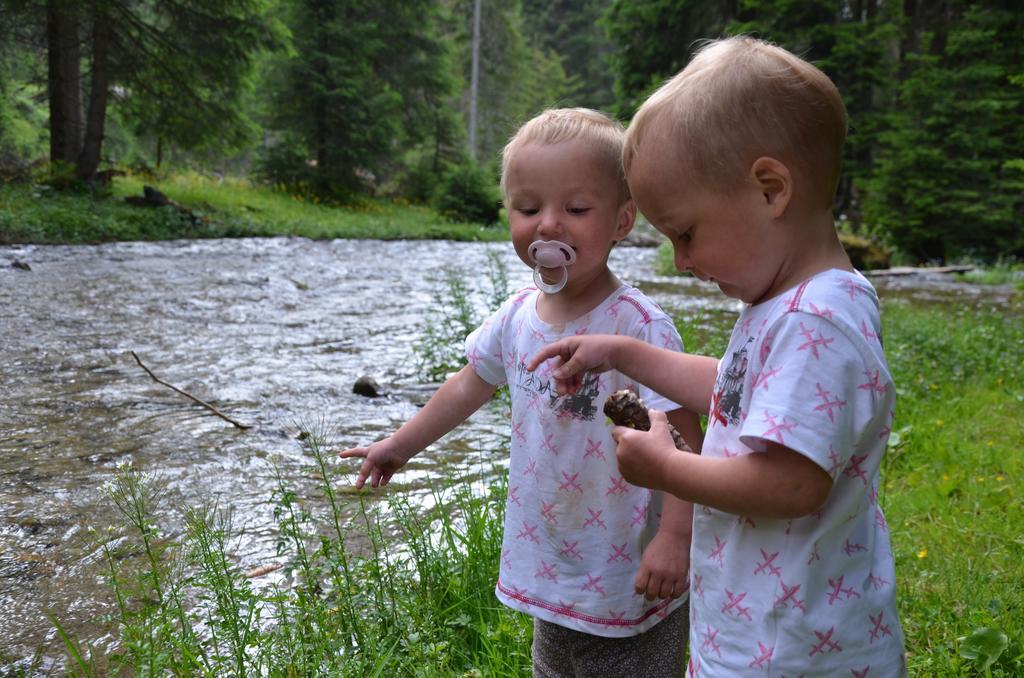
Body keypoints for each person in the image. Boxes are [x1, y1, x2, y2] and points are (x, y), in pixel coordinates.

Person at [526, 38, 906, 677]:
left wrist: (670, 468)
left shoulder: (818, 316)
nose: (681, 260)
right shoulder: (784, 304)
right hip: (758, 627)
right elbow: (736, 391)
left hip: (796, 650)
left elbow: (793, 483)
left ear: (769, 189)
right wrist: (623, 351)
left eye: (686, 232)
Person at [339, 107, 704, 677]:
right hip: (550, 559)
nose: (548, 225)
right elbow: (468, 385)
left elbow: (685, 433)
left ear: (621, 220)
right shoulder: (514, 318)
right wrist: (399, 446)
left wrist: (676, 537)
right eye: (528, 208)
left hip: (629, 567)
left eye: (576, 209)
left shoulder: (639, 326)